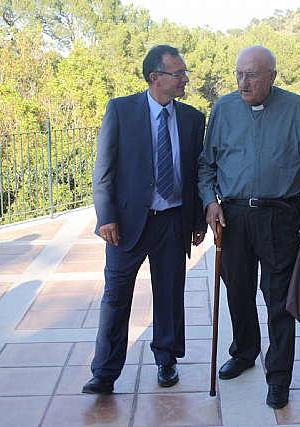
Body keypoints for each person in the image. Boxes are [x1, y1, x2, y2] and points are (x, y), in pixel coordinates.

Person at [198, 45, 300, 409]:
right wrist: (210, 202)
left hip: (282, 215)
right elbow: (207, 166)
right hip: (234, 216)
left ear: (272, 75)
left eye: (252, 75)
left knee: (279, 300)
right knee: (237, 289)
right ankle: (244, 352)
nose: (243, 82)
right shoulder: (223, 109)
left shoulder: (296, 108)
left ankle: (279, 375)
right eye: (239, 74)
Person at [83, 45, 207, 394]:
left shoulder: (193, 119)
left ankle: (166, 360)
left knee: (170, 294)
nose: (185, 79)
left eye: (184, 73)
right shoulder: (121, 110)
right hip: (126, 224)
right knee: (116, 296)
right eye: (179, 73)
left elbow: (197, 174)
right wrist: (105, 216)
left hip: (172, 221)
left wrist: (197, 220)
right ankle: (104, 372)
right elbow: (103, 170)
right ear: (155, 78)